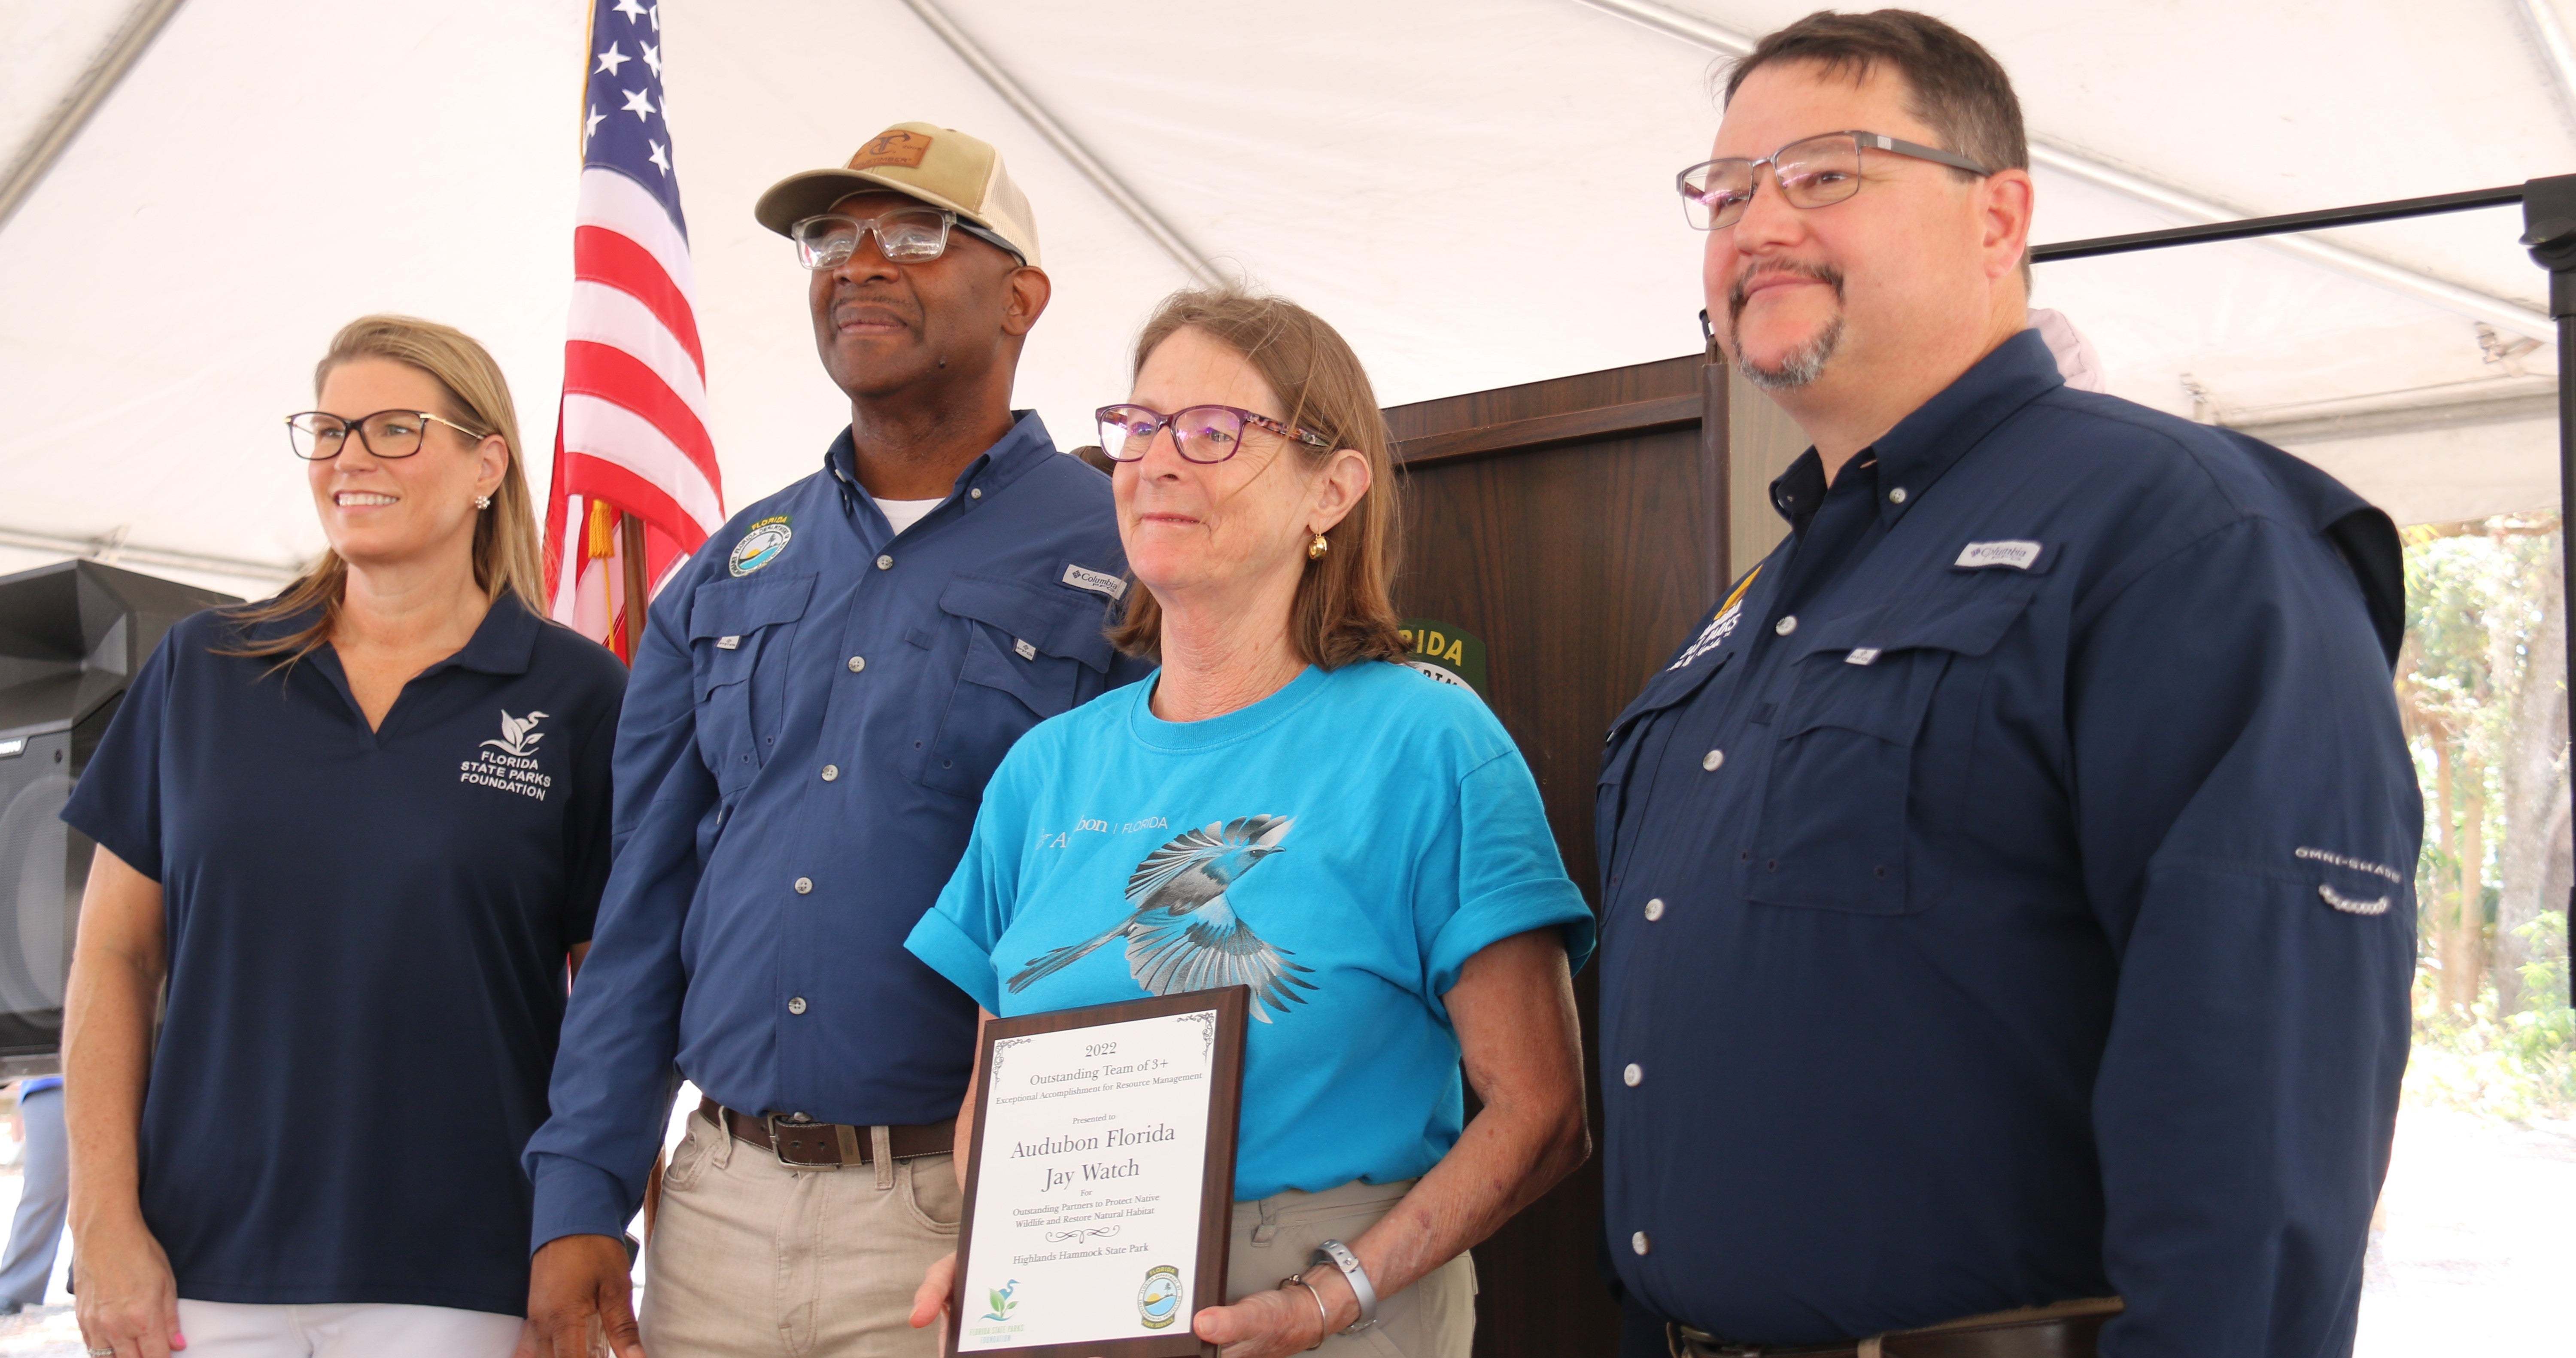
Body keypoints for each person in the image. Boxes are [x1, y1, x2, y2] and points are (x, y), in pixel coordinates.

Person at [1598, 12, 2419, 1358]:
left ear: (1999, 217)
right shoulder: (1770, 596)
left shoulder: (2186, 536)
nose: (1754, 225)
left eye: (1822, 172)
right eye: (1724, 190)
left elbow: (2260, 1112)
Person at [523, 123, 1149, 1358]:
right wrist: (582, 1192)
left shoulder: (1133, 557)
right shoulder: (725, 572)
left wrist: (1073, 1220)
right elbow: (643, 901)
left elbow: (1161, 911)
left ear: (1022, 295)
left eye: (914, 234)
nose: (858, 263)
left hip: (973, 1215)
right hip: (715, 1208)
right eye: (830, 237)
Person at [902, 288, 1595, 1358]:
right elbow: (992, 1085)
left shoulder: (1427, 740)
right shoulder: (1044, 767)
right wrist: (1011, 1243)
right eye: (1139, 426)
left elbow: (1541, 1109)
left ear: (1333, 487)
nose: (1157, 460)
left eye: (1216, 430)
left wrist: (1333, 1293)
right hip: (1073, 1312)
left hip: (1331, 1299)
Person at [59, 315, 626, 1358]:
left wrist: (588, 1223)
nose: (350, 457)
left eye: (395, 429)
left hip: (467, 1274)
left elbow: (617, 996)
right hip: (200, 1270)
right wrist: (103, 1222)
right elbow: (113, 953)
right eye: (327, 430)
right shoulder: (201, 667)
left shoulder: (580, 694)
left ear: (486, 464)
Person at [0, 1075, 65, 1313]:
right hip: (48, 1083)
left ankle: (91, 1277)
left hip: (118, 1078)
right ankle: (15, 1284)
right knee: (44, 1186)